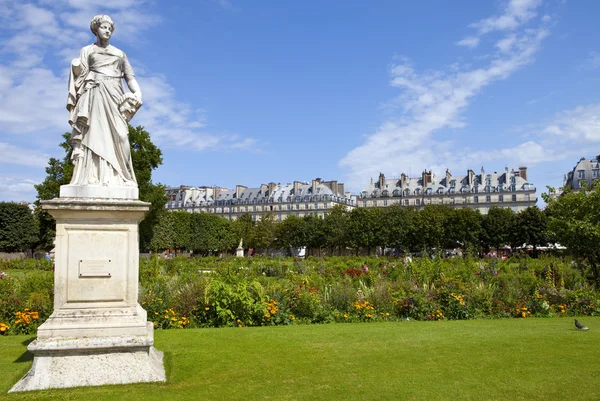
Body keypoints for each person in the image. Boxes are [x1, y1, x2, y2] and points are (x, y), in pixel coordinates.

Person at [67, 15, 143, 187]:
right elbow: (81, 76)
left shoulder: (119, 54)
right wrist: (76, 67)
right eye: (104, 27)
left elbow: (130, 77)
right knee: (93, 134)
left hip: (115, 96)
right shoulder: (87, 50)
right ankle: (91, 177)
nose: (107, 31)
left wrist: (138, 93)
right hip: (94, 93)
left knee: (121, 136)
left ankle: (124, 176)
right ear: (96, 29)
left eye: (110, 28)